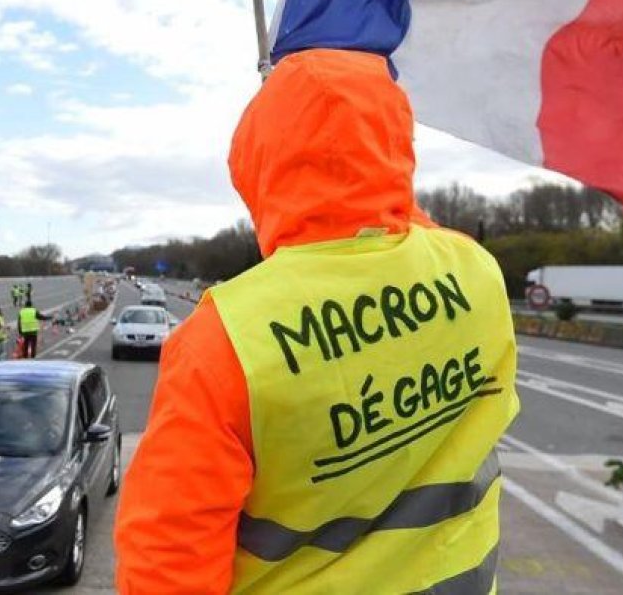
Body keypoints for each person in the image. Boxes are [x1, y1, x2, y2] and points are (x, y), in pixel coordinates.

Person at [113, 50, 519, 592]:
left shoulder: (225, 339)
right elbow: (404, 221)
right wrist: (371, 171)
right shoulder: (476, 271)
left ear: (256, 166)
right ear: (397, 143)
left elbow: (168, 561)